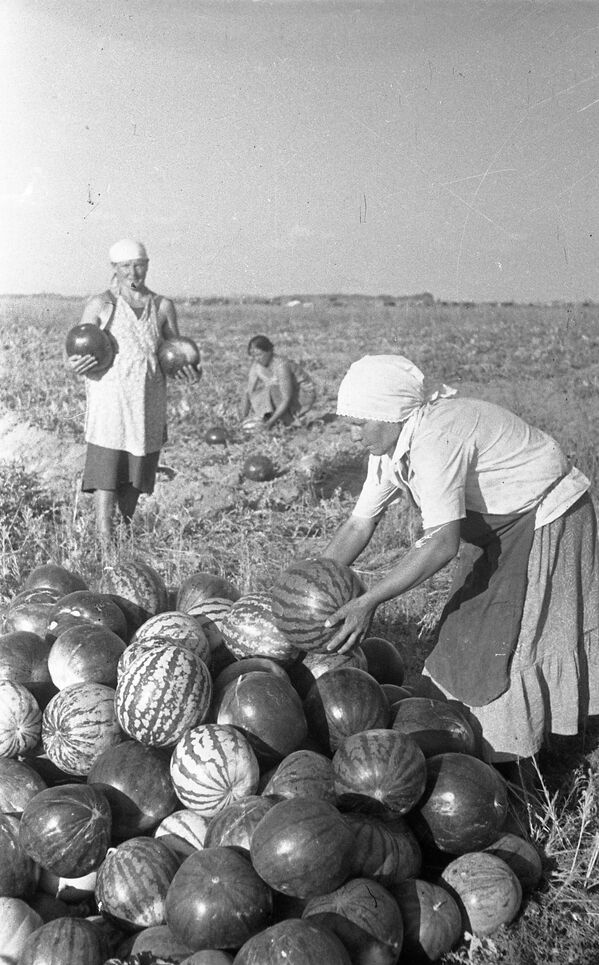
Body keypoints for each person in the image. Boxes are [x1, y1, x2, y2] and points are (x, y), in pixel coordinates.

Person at [322, 354, 599, 765]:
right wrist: (313, 579)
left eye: (360, 423)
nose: (354, 434)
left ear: (391, 414)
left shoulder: (436, 438)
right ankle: (477, 740)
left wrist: (368, 601)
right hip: (496, 528)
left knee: (510, 639)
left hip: (546, 517)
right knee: (465, 627)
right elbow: (359, 525)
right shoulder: (388, 450)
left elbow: (441, 543)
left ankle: (522, 763)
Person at [67, 238, 200, 546]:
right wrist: (75, 362)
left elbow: (176, 352)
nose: (133, 272)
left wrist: (190, 369)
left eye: (139, 265)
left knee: (136, 472)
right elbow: (74, 348)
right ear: (115, 269)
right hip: (110, 400)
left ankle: (123, 535)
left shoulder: (163, 306)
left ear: (147, 266)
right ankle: (105, 542)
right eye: (126, 266)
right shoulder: (101, 304)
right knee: (107, 471)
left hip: (147, 401)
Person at [240, 335, 316, 430]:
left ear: (269, 351)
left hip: (302, 396)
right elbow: (248, 392)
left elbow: (286, 398)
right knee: (257, 395)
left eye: (259, 354)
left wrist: (269, 423)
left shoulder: (281, 366)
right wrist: (242, 420)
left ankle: (292, 422)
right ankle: (279, 419)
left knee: (271, 390)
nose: (256, 358)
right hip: (283, 394)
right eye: (253, 355)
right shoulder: (256, 366)